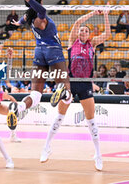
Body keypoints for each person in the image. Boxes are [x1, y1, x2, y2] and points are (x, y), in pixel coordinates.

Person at [40, 9, 111, 171]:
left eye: (86, 31)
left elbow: (107, 34)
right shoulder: (73, 43)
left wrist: (105, 15)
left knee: (91, 121)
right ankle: (46, 147)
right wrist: (93, 13)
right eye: (81, 31)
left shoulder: (92, 44)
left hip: (85, 84)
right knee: (59, 116)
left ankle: (98, 155)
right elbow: (78, 22)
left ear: (89, 34)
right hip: (70, 83)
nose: (83, 32)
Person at [6, 0, 72, 131]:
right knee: (68, 90)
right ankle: (61, 89)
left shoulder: (29, 17)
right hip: (53, 51)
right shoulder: (41, 14)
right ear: (40, 1)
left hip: (39, 53)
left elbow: (24, 17)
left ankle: (18, 107)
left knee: (35, 95)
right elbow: (37, 7)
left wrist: (18, 22)